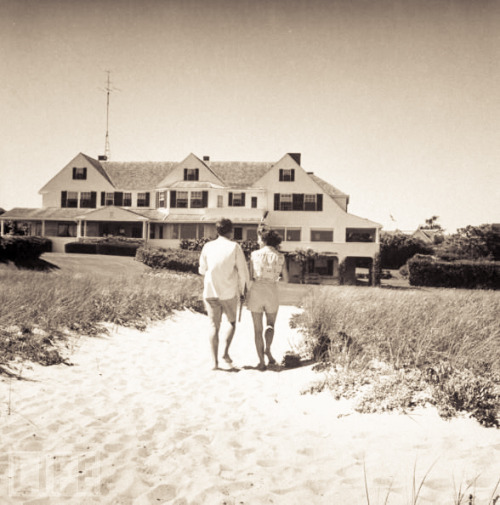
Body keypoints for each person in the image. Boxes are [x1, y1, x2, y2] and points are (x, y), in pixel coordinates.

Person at [199, 218, 249, 370]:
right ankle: (225, 353)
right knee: (232, 323)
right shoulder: (234, 247)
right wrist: (243, 290)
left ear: (217, 231)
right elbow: (243, 272)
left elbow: (202, 270)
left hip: (210, 290)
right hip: (227, 292)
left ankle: (214, 363)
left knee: (214, 325)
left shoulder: (208, 246)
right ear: (231, 231)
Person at [246, 227, 287, 370]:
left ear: (263, 240)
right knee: (270, 325)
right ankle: (268, 349)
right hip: (271, 291)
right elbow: (285, 278)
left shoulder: (254, 254)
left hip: (256, 291)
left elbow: (250, 276)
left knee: (257, 330)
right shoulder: (280, 256)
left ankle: (261, 362)